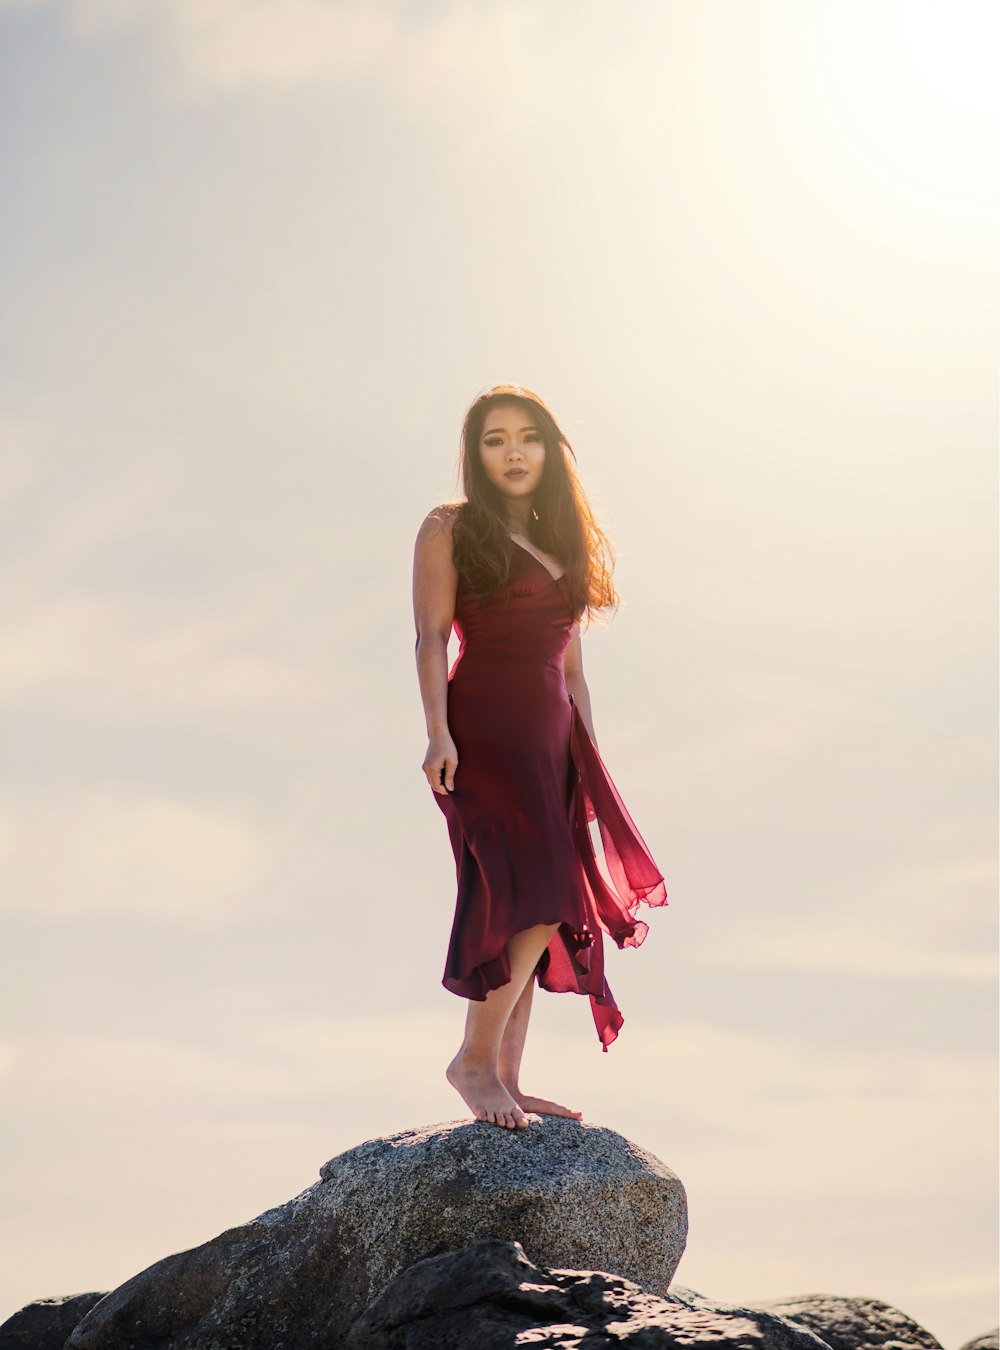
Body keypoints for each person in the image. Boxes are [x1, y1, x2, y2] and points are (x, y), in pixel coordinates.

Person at [412, 384, 667, 1132]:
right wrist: (438, 734)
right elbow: (430, 638)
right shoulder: (450, 527)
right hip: (484, 727)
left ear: (551, 449)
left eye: (527, 436)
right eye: (495, 440)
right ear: (476, 455)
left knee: (540, 898)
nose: (513, 451)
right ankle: (471, 1063)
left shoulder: (565, 542)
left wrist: (586, 763)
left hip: (552, 738)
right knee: (530, 887)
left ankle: (505, 1078)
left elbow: (574, 671)